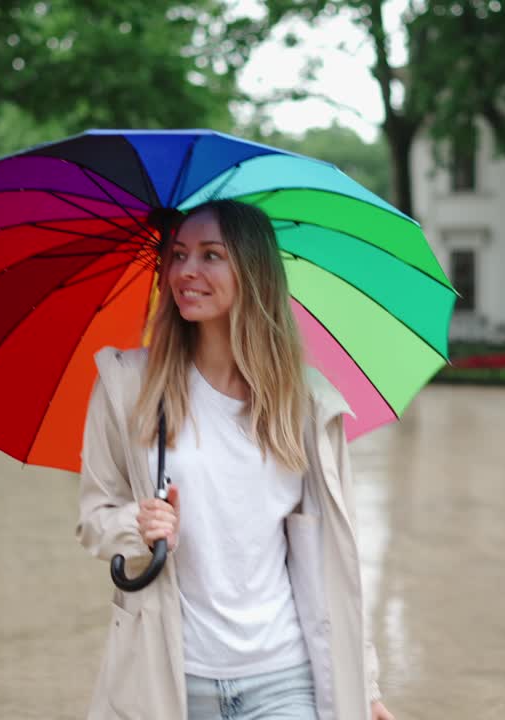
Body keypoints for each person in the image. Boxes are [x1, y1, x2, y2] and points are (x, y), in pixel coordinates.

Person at [76, 199, 394, 720]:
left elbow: (336, 559)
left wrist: (365, 683)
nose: (186, 271)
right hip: (171, 680)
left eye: (210, 255)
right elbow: (94, 519)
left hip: (284, 678)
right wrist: (138, 525)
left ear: (253, 270)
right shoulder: (127, 384)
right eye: (178, 255)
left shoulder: (307, 404)